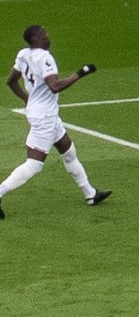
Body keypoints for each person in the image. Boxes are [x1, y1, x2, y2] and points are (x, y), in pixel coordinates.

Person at [0, 24, 111, 218]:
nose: (48, 36)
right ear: (36, 39)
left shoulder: (23, 54)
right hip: (45, 117)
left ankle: (90, 194)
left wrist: (29, 100)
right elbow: (55, 86)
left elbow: (11, 81)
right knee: (34, 164)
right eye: (44, 34)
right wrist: (82, 72)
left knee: (68, 151)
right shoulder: (45, 58)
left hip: (44, 114)